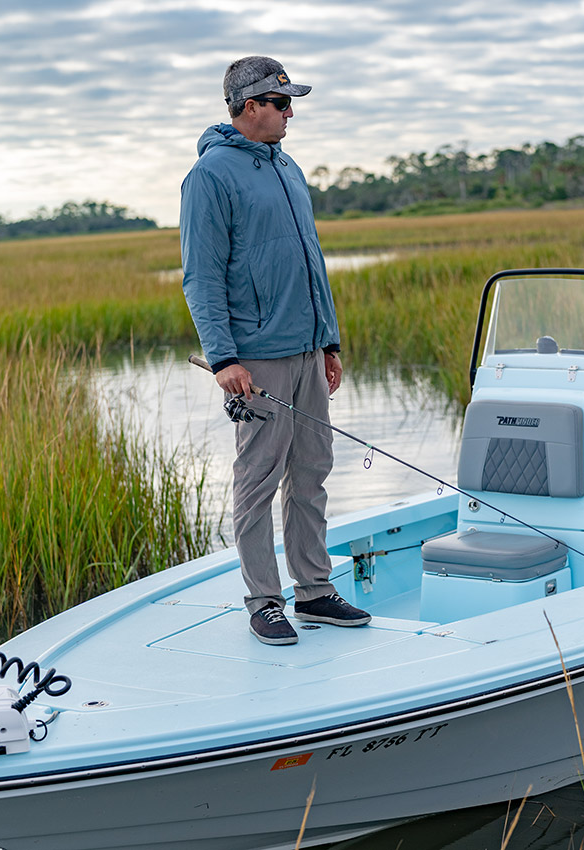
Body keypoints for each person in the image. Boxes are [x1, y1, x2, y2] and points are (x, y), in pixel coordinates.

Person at [179, 56, 370, 645]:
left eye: (291, 103)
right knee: (258, 479)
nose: (290, 113)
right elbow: (202, 277)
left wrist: (329, 342)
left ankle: (314, 591)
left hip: (309, 351)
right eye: (281, 103)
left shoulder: (287, 167)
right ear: (248, 106)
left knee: (312, 474)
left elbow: (311, 260)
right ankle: (264, 600)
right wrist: (223, 359)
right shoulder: (209, 177)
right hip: (255, 360)